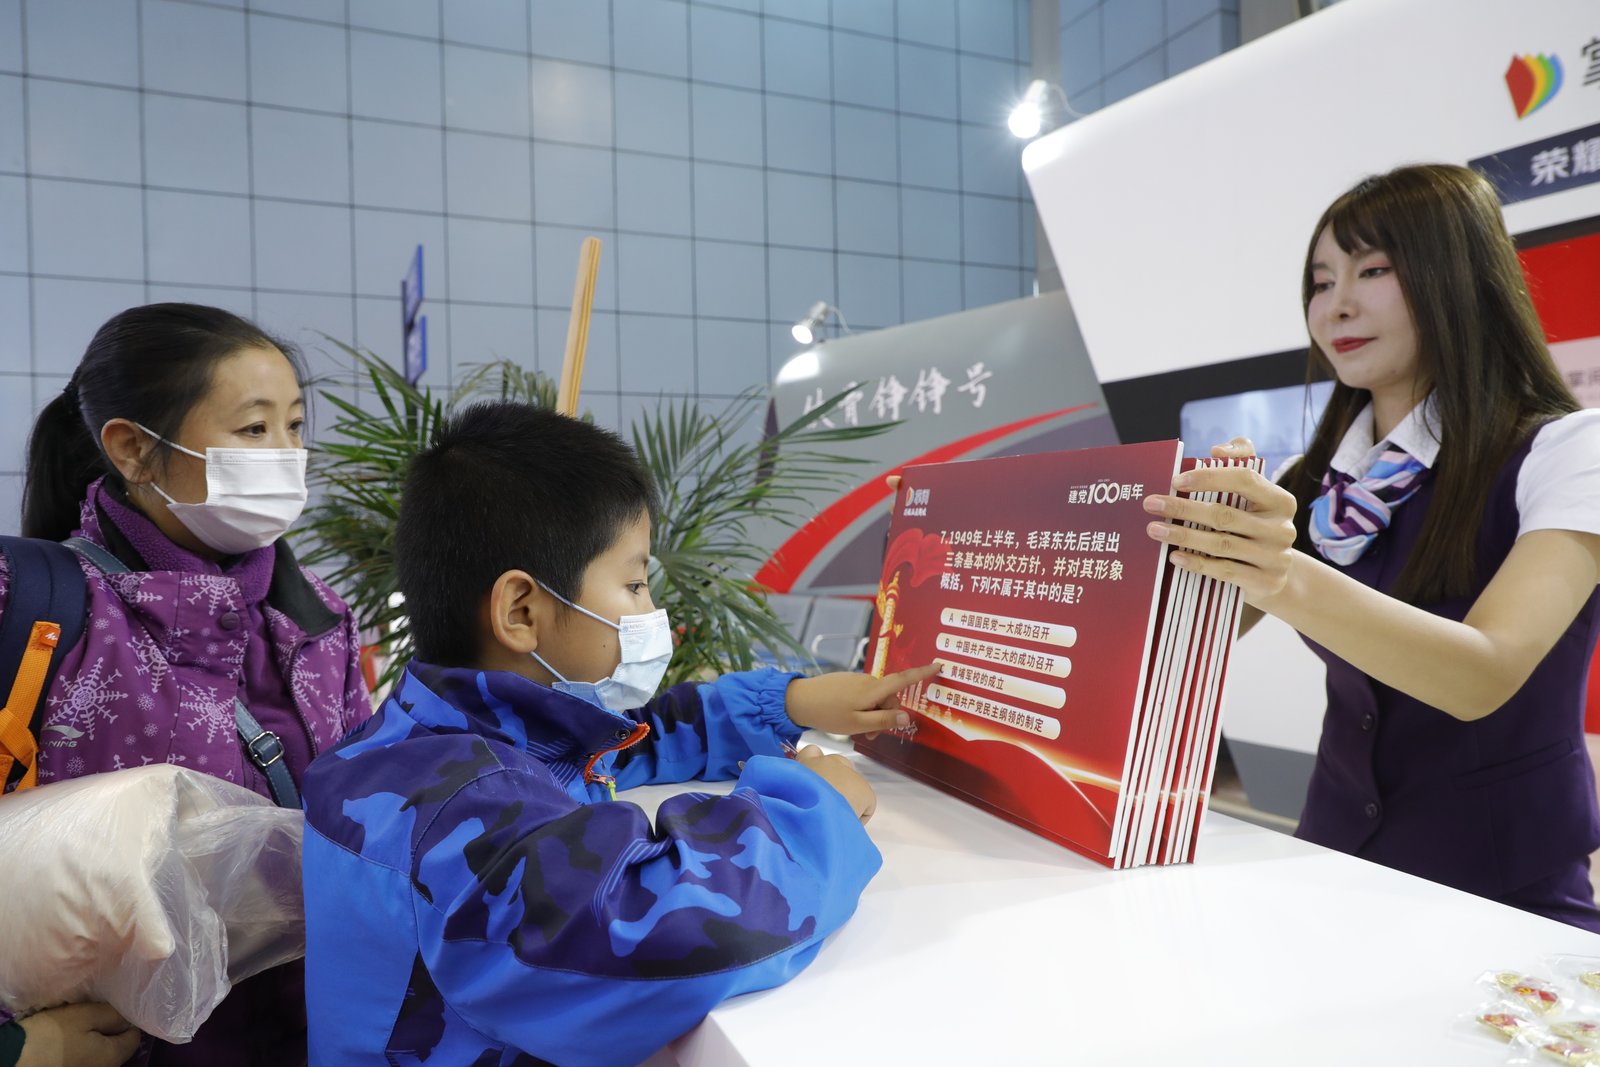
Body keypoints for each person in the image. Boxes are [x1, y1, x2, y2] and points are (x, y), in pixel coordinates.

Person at [300, 401, 939, 1066]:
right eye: (634, 584)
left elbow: (632, 742)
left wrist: (789, 702)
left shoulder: (442, 733)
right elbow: (660, 924)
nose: (651, 610)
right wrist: (818, 806)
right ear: (522, 611)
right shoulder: (460, 806)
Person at [1142, 163, 1600, 930]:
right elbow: (1183, 640)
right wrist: (1175, 538)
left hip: (1505, 898)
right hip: (1333, 870)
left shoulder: (1566, 450)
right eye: (1321, 282)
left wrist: (1277, 571)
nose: (1337, 305)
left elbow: (1483, 673)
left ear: (1460, 275)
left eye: (1373, 270)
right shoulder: (1314, 479)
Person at [5, 303, 373, 1064]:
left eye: (295, 426)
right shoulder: (32, 604)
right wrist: (13, 1047)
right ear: (134, 449)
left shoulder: (318, 622)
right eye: (254, 429)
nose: (287, 454)